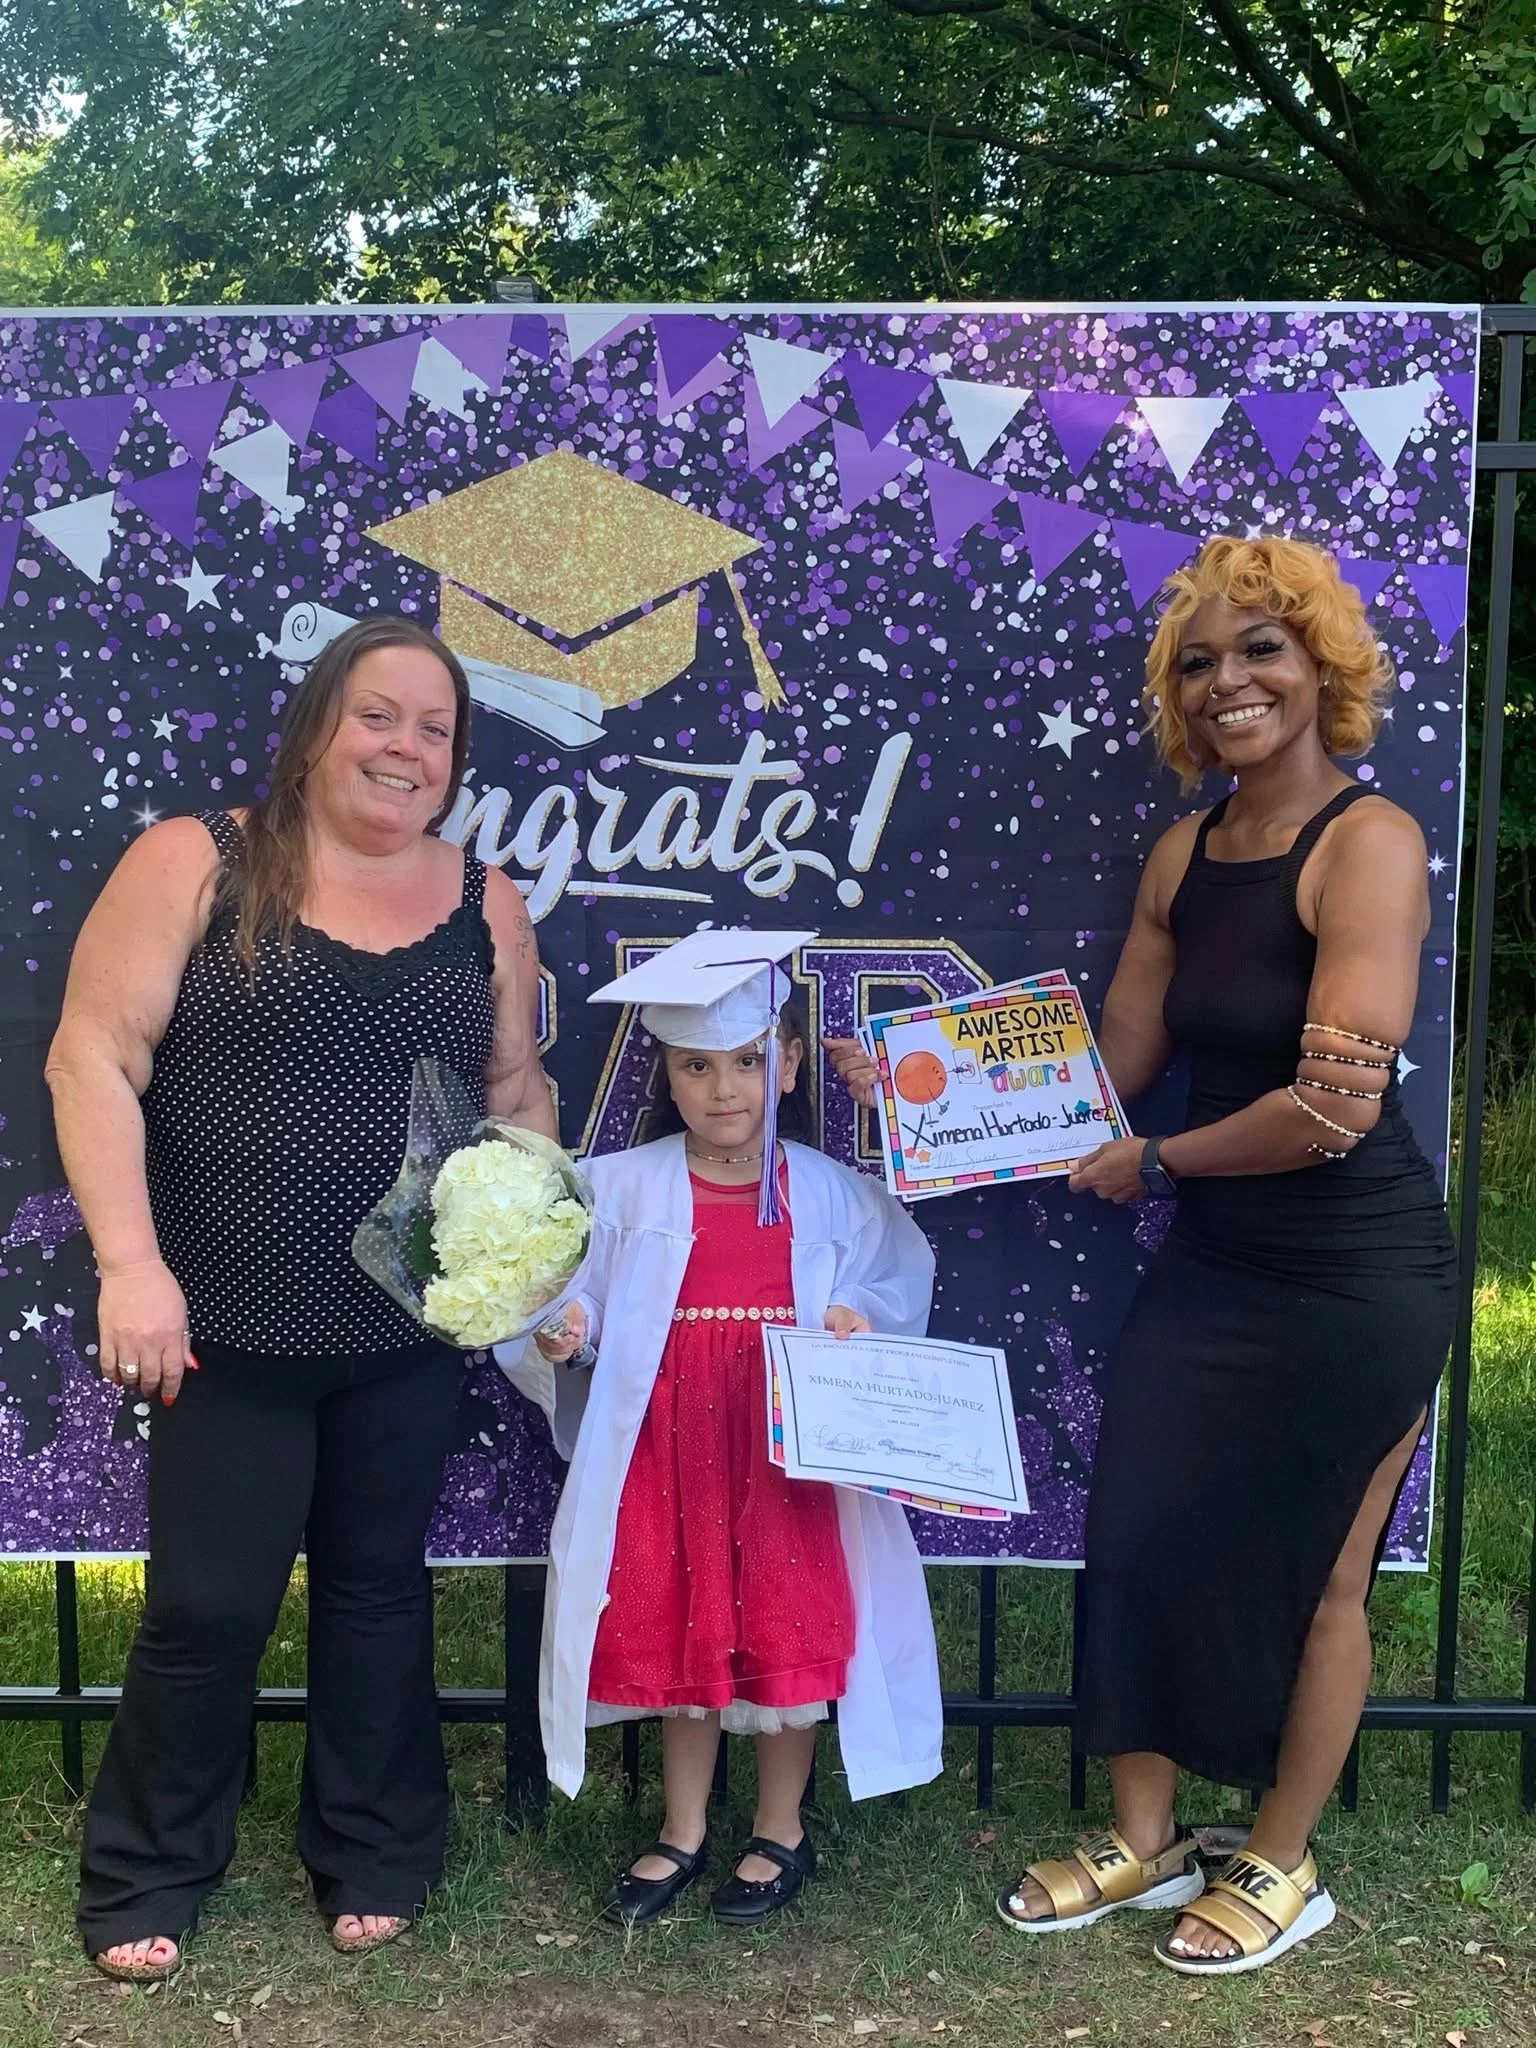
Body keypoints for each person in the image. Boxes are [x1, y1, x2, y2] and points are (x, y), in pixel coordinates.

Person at [833, 535, 1456, 1977]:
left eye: (1262, 650)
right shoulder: (1184, 854)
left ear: (1321, 669)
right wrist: (918, 1079)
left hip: (1359, 1278)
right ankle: (1143, 1840)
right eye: (1201, 662)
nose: (1232, 681)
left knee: (1321, 1576)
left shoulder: (1373, 844)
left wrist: (1158, 1161)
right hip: (1218, 1264)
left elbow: (1333, 1109)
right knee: (1142, 1534)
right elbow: (1109, 1068)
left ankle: (1283, 1863)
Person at [45, 617, 555, 1982]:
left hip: (402, 1335)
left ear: (457, 762)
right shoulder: (195, 862)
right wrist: (128, 1264)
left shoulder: (486, 901)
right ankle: (151, 1865)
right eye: (378, 717)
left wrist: (530, 1237)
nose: (406, 749)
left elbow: (515, 1097)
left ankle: (377, 1847)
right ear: (319, 727)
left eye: (435, 730)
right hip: (223, 1327)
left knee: (382, 1592)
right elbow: (92, 1056)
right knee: (210, 1604)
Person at [503, 931, 943, 1927]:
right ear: (666, 1068)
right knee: (687, 1622)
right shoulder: (618, 1187)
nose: (724, 1087)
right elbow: (569, 1301)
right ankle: (685, 1823)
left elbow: (895, 1273)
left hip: (784, 1446)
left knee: (781, 1621)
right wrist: (568, 1330)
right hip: (672, 1444)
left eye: (748, 1060)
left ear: (786, 1063)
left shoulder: (830, 1191)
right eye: (697, 1065)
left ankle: (780, 1822)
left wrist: (857, 1318)